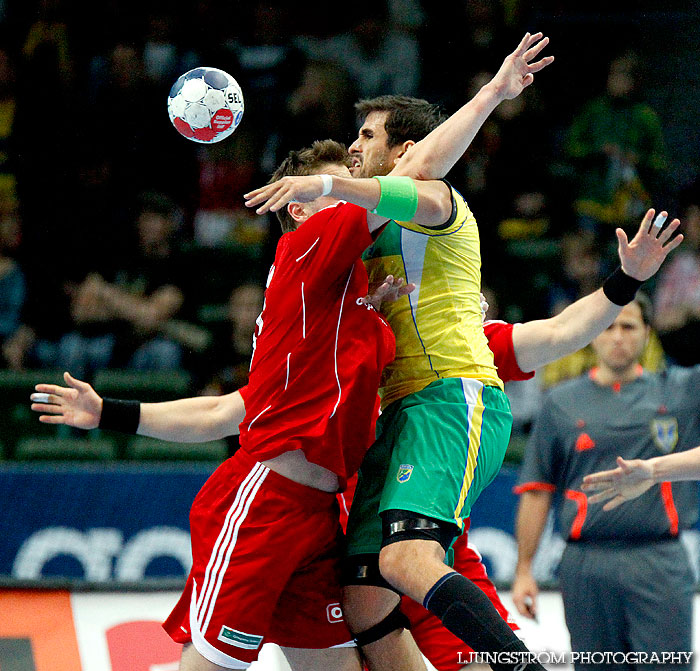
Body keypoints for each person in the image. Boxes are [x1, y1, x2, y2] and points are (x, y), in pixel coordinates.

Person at [29, 137, 455, 671]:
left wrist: (111, 412)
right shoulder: (305, 247)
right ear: (298, 206)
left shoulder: (339, 300)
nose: (353, 189)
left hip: (320, 516)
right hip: (265, 504)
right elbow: (408, 180)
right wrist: (495, 91)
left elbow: (227, 410)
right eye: (334, 185)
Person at [512, 294, 699, 671]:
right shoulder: (560, 402)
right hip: (585, 564)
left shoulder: (682, 391)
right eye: (607, 326)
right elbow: (537, 491)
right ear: (591, 334)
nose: (617, 337)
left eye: (628, 326)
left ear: (647, 334)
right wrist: (523, 570)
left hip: (658, 560)